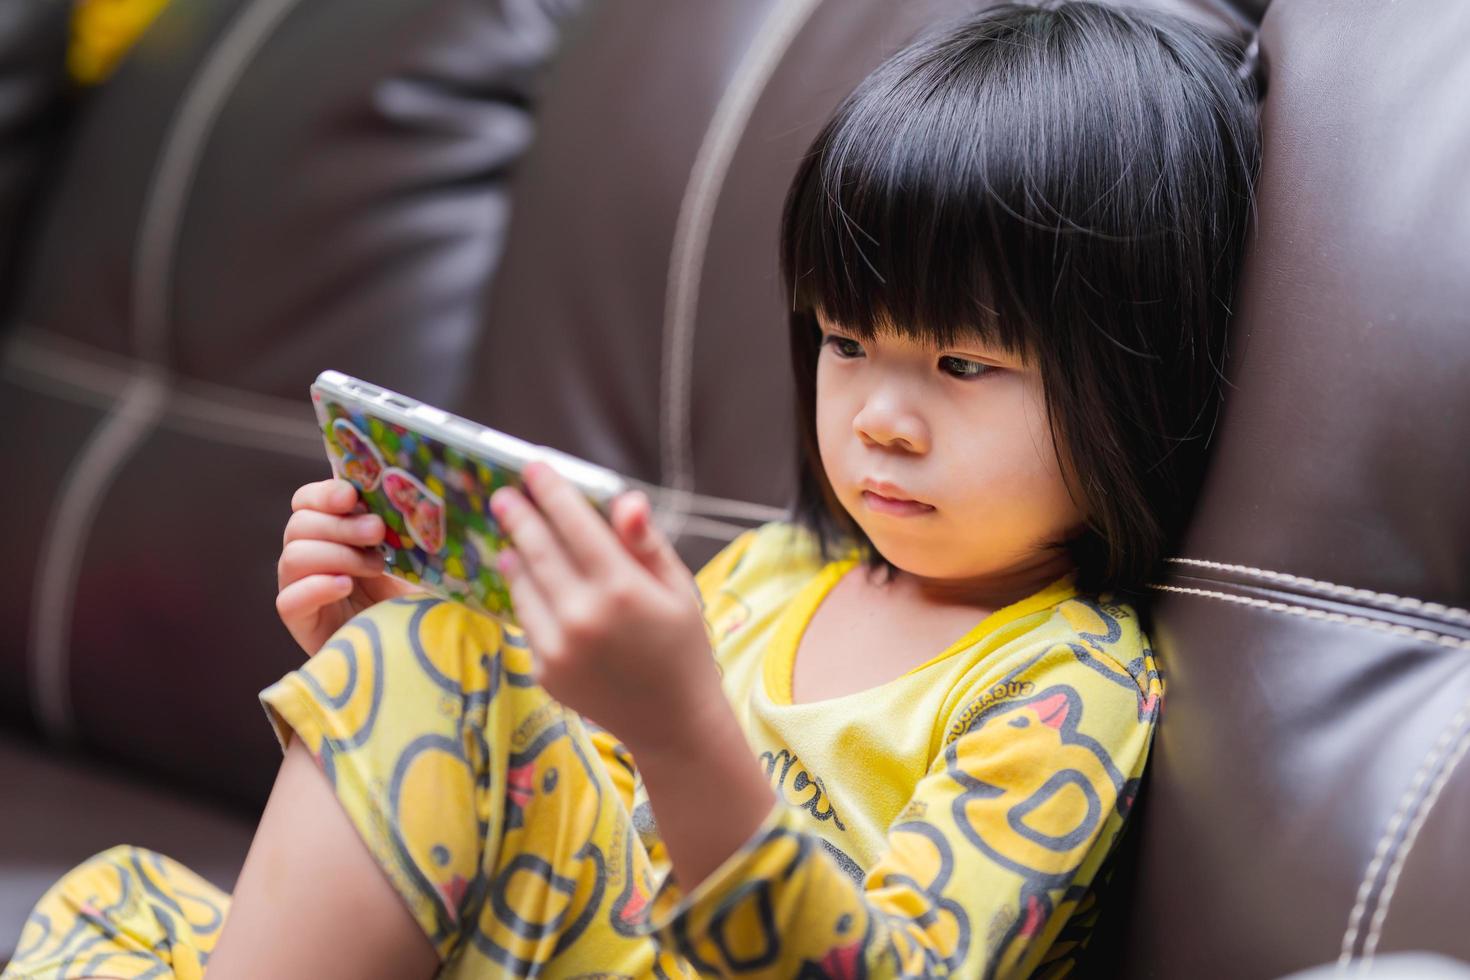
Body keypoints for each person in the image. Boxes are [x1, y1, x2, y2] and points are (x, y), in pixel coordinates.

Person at [3, 2, 1260, 976]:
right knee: (129, 903)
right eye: (844, 341)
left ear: (1131, 384)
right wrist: (386, 675)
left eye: (963, 362)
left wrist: (679, 729)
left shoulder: (1066, 685)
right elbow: (570, 804)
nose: (881, 414)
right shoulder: (776, 576)